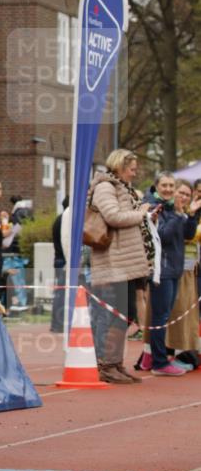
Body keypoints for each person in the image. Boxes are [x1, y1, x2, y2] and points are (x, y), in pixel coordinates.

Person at [87, 150, 151, 384]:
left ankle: (115, 363)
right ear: (119, 166)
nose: (135, 172)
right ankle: (105, 364)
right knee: (114, 315)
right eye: (132, 168)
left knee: (126, 315)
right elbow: (113, 216)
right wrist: (140, 214)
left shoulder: (123, 187)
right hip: (113, 261)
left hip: (126, 261)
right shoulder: (106, 187)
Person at [140, 173, 201, 375]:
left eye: (170, 185)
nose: (167, 189)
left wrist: (190, 215)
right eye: (164, 185)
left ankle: (158, 358)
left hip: (175, 269)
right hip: (162, 270)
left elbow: (188, 234)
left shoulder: (174, 209)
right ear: (157, 187)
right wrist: (177, 214)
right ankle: (158, 362)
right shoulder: (155, 207)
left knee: (164, 316)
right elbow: (163, 235)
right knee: (160, 316)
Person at [50, 195, 69, 333]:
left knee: (60, 293)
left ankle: (57, 322)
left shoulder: (58, 220)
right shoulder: (65, 220)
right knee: (61, 294)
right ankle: (57, 323)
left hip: (59, 258)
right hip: (63, 260)